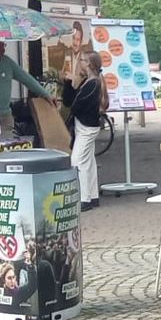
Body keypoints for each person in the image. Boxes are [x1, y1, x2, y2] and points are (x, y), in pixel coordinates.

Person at [63, 52, 107, 211]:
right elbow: (69, 101)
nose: (79, 63)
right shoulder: (89, 82)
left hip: (86, 127)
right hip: (86, 126)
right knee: (88, 161)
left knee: (77, 161)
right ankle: (92, 196)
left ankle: (84, 198)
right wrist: (69, 83)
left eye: (82, 60)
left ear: (88, 64)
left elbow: (75, 106)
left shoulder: (92, 84)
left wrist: (73, 83)